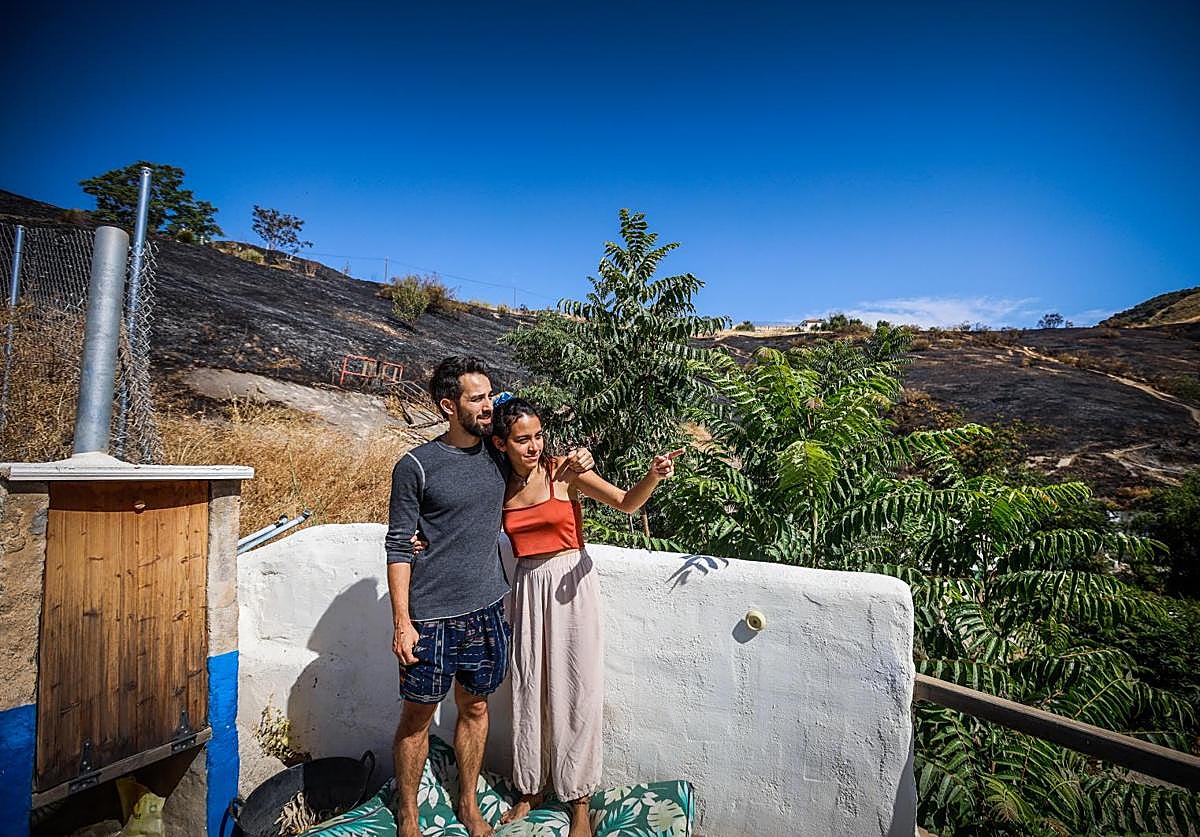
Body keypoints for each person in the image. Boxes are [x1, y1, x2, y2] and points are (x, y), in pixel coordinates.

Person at [385, 358, 592, 837]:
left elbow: (545, 462)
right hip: (430, 616)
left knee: (475, 708)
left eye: (489, 395)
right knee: (416, 717)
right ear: (448, 405)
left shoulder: (498, 456)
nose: (488, 405)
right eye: (477, 398)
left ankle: (469, 804)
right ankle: (409, 816)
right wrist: (402, 622)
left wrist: (583, 457)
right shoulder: (415, 466)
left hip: (488, 610)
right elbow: (398, 544)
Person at [490, 396, 681, 837]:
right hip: (526, 588)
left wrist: (652, 476)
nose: (534, 446)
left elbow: (626, 503)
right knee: (528, 686)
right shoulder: (495, 485)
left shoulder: (565, 471)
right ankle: (530, 788)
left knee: (576, 688)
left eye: (538, 435)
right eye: (523, 439)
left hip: (571, 587)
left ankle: (578, 799)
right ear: (501, 443)